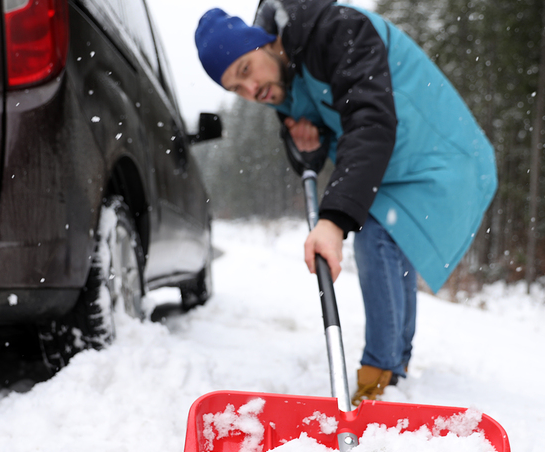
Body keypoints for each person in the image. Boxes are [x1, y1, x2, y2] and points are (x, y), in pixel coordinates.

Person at [195, 0, 497, 405]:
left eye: (245, 70)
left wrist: (334, 219)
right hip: (393, 170)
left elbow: (368, 120)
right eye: (236, 88)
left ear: (265, 43)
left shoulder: (334, 30)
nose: (251, 91)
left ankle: (380, 382)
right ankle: (393, 376)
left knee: (375, 235)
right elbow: (309, 149)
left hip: (440, 156)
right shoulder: (282, 83)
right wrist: (307, 145)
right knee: (386, 242)